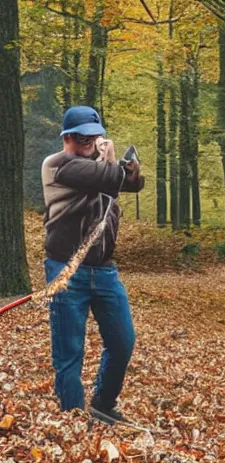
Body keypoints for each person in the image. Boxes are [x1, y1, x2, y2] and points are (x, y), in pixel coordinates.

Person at [41, 105, 144, 423]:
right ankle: (72, 422)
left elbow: (134, 183)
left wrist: (131, 169)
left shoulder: (97, 167)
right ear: (68, 138)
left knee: (122, 341)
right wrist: (114, 161)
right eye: (83, 139)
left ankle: (103, 404)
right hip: (66, 270)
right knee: (69, 351)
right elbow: (114, 177)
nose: (89, 144)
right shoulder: (58, 165)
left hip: (104, 269)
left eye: (94, 138)